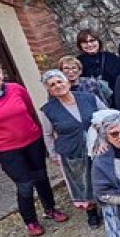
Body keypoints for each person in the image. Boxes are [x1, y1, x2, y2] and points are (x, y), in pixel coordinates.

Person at [0, 61, 67, 237]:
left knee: (41, 177)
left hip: (33, 141)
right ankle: (30, 221)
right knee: (25, 185)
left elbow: (29, 111)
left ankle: (50, 209)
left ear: (2, 73)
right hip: (8, 150)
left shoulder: (16, 89)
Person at [39, 69, 105, 228]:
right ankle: (91, 213)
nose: (57, 86)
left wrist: (106, 139)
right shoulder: (47, 110)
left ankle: (109, 206)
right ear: (49, 90)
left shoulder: (89, 98)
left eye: (59, 82)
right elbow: (47, 134)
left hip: (98, 146)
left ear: (67, 82)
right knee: (82, 182)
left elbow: (106, 117)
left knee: (103, 175)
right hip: (71, 150)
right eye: (52, 85)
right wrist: (53, 154)